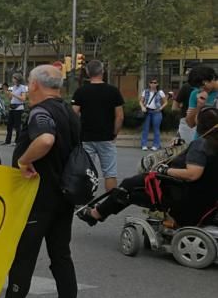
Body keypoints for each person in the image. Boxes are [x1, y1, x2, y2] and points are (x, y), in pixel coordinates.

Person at [0, 65, 81, 298]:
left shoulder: (41, 112)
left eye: (29, 84)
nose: (27, 89)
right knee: (61, 256)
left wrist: (24, 160)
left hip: (40, 197)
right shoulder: (70, 112)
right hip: (65, 196)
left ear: (36, 85)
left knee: (25, 256)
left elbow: (46, 139)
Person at [78, 107, 218, 228]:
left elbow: (193, 174)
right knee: (131, 194)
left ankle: (95, 214)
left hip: (181, 196)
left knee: (129, 185)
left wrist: (165, 170)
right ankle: (97, 213)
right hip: (204, 198)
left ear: (201, 124)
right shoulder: (211, 143)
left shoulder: (201, 145)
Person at [71, 59, 124, 191]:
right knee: (110, 172)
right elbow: (120, 116)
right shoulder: (113, 91)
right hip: (106, 137)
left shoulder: (81, 91)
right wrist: (114, 133)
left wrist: (77, 132)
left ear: (88, 73)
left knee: (85, 171)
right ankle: (109, 204)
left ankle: (84, 202)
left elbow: (73, 115)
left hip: (86, 137)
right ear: (102, 72)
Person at [185, 66, 218, 134]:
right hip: (202, 139)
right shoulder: (195, 94)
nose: (201, 89)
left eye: (203, 85)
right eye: (198, 87)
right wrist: (199, 107)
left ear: (212, 77)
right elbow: (191, 124)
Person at [139, 78, 167, 151]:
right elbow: (141, 101)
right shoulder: (145, 91)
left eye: (155, 83)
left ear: (157, 84)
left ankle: (156, 145)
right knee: (145, 129)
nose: (153, 84)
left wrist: (160, 108)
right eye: (151, 82)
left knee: (156, 129)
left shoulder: (160, 92)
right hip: (147, 111)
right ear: (149, 84)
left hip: (156, 112)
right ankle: (144, 145)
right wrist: (142, 107)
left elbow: (165, 102)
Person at [173, 67, 199, 144]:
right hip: (190, 122)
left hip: (192, 122)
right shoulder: (186, 87)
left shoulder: (186, 86)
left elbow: (174, 107)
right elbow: (174, 106)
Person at [4, 73, 28, 145]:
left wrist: (14, 94)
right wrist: (8, 94)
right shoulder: (13, 87)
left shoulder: (22, 87)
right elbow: (11, 98)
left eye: (14, 78)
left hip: (19, 108)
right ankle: (7, 141)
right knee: (9, 125)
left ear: (18, 79)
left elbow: (23, 99)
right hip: (12, 107)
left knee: (17, 125)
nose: (12, 79)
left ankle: (17, 141)